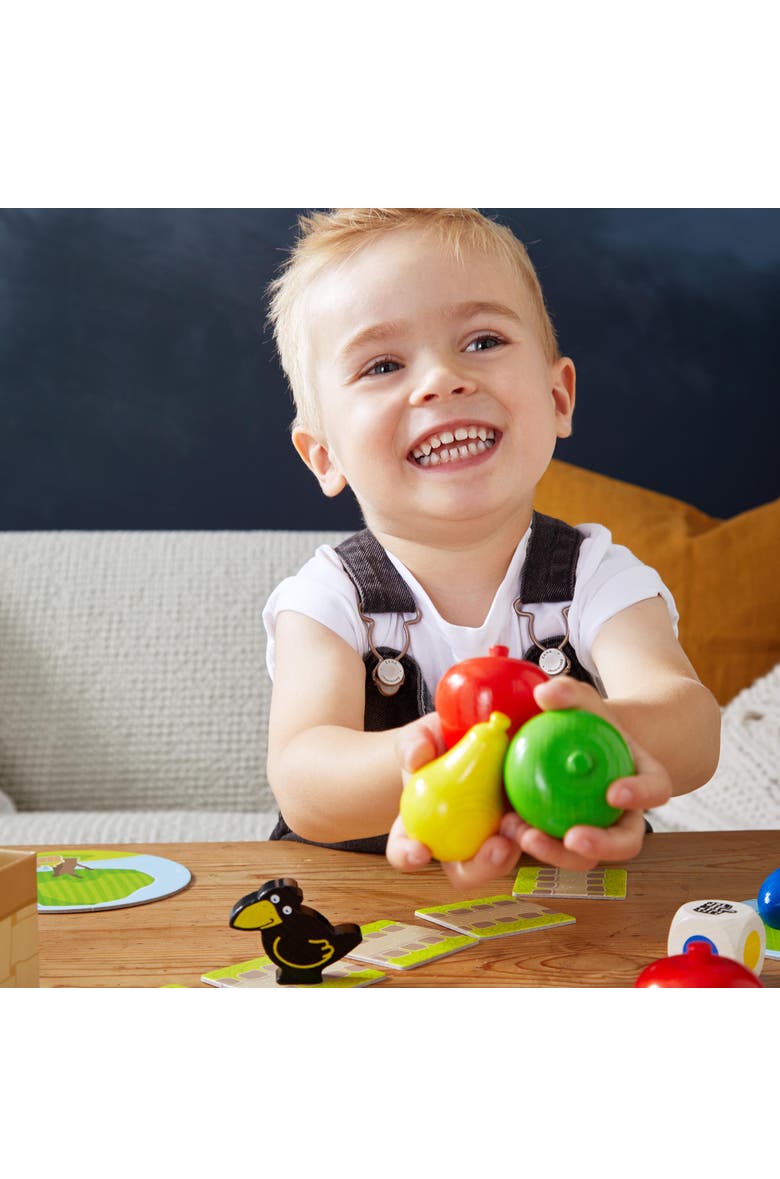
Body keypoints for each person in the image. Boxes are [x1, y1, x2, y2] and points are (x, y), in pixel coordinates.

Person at [262, 208, 721, 889]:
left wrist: (605, 732)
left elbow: (690, 722)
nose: (443, 379)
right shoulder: (328, 600)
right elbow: (305, 781)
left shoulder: (598, 575)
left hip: (577, 893)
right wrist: (472, 745)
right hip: (367, 909)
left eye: (481, 341)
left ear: (558, 396)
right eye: (384, 363)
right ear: (325, 456)